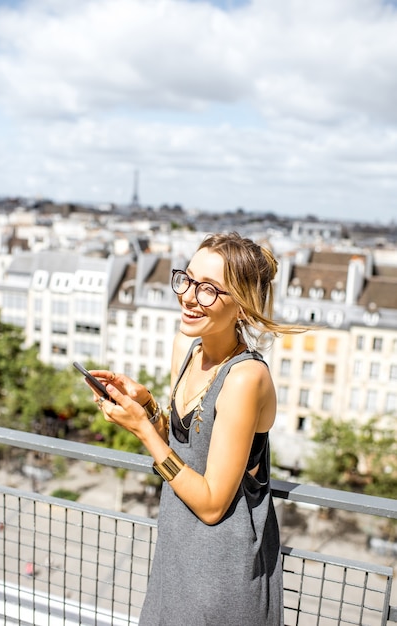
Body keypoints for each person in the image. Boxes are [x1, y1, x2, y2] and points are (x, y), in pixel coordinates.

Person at [89, 232, 292, 626]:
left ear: (244, 308)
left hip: (222, 578)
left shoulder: (244, 378)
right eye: (188, 279)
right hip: (176, 558)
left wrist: (142, 433)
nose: (188, 296)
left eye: (209, 290)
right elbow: (184, 450)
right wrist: (146, 405)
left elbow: (213, 503)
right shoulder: (186, 347)